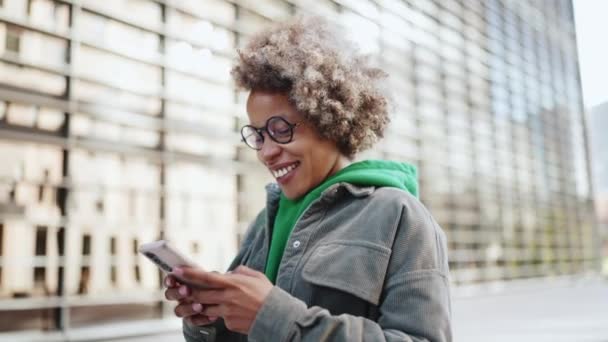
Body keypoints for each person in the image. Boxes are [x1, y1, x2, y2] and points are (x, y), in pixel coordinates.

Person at [164, 15, 452, 342]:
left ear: (328, 120)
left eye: (280, 130)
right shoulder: (266, 221)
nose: (265, 153)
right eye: (258, 136)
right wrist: (207, 318)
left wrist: (275, 318)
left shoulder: (400, 216)